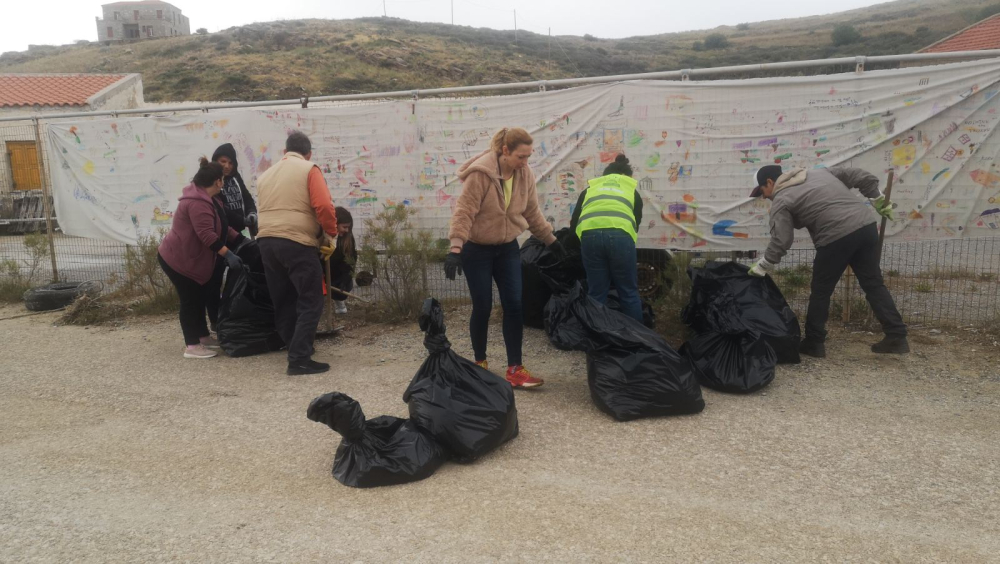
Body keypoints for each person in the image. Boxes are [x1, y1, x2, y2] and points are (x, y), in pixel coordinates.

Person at [445, 126, 566, 389]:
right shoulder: (480, 175)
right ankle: (480, 364)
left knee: (514, 305)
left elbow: (532, 212)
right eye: (521, 156)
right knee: (483, 306)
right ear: (505, 151)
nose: (526, 162)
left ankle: (515, 369)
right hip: (476, 249)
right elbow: (464, 211)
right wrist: (456, 248)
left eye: (528, 156)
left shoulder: (525, 174)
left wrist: (551, 241)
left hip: (507, 248)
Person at [747, 164, 908, 357]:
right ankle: (896, 336)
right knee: (873, 284)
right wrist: (877, 197)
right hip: (866, 227)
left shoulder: (782, 199)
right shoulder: (819, 172)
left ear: (770, 182)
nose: (764, 196)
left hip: (835, 236)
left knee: (821, 291)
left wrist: (764, 265)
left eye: (762, 191)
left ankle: (814, 343)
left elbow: (782, 239)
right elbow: (858, 173)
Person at [256, 131, 338, 376]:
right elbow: (323, 205)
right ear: (309, 153)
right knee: (311, 297)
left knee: (283, 299)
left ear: (284, 152)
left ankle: (295, 347)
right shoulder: (309, 169)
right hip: (296, 242)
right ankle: (300, 358)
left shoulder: (265, 175)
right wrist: (331, 233)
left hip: (266, 241)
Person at [157, 157, 246, 359]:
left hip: (190, 259)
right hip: (178, 260)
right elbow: (206, 235)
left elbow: (223, 227)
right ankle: (192, 345)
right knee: (190, 300)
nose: (223, 183)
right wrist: (228, 254)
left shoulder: (212, 199)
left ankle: (203, 336)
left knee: (198, 297)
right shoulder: (197, 203)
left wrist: (241, 240)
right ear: (217, 181)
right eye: (222, 179)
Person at [570, 153, 644, 323]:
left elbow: (575, 221)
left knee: (596, 291)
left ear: (606, 176)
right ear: (627, 177)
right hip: (620, 237)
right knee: (628, 291)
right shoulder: (630, 190)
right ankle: (637, 339)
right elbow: (635, 222)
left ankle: (595, 338)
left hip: (590, 237)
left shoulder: (591, 189)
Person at [211, 143, 258, 237]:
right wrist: (243, 221)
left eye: (230, 163)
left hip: (241, 230)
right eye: (223, 161)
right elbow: (221, 208)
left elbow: (247, 197)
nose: (227, 166)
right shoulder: (211, 180)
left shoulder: (236, 177)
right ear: (215, 161)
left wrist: (252, 213)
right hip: (223, 233)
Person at [329, 206, 357, 314]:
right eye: (344, 227)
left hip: (338, 273)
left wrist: (345, 279)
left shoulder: (347, 239)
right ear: (335, 224)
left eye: (348, 227)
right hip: (323, 272)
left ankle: (338, 301)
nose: (347, 230)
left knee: (342, 289)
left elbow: (350, 261)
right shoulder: (323, 235)